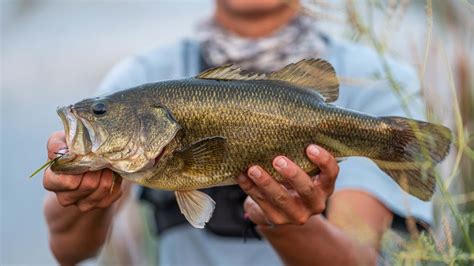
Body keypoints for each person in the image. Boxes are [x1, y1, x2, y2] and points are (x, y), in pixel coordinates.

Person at [43, 0, 432, 265]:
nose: (96, 115)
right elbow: (69, 251)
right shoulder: (142, 74)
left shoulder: (382, 80)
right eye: (101, 111)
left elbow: (359, 257)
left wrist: (282, 224)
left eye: (100, 112)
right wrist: (83, 198)